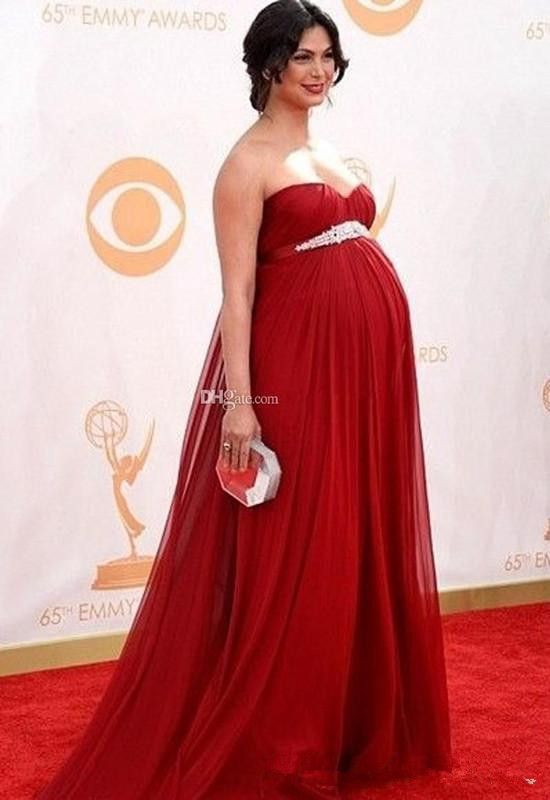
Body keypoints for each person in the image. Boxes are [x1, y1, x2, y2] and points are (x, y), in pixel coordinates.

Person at [35, 2, 453, 798]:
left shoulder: (326, 149)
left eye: (328, 56)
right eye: (302, 57)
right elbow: (238, 293)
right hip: (294, 367)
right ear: (267, 64)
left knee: (354, 529)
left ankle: (350, 724)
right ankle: (286, 739)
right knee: (303, 539)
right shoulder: (246, 163)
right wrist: (240, 400)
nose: (319, 71)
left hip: (365, 373)